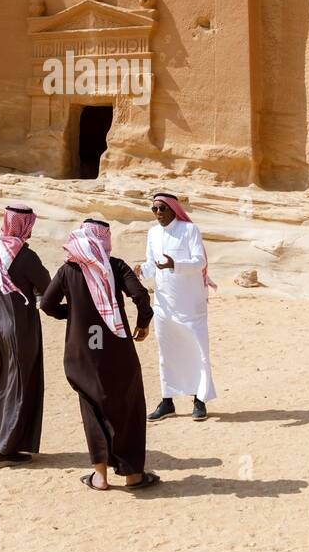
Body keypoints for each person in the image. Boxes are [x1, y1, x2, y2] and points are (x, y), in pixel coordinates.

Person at [40, 218, 159, 491]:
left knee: (92, 407)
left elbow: (46, 304)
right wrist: (143, 323)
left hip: (82, 352)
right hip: (116, 348)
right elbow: (140, 295)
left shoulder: (68, 269)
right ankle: (132, 475)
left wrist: (72, 314)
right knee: (127, 407)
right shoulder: (114, 266)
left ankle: (100, 477)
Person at [136, 192, 217, 422]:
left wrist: (176, 264)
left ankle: (199, 400)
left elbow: (200, 261)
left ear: (173, 209)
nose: (158, 213)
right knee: (167, 352)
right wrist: (141, 270)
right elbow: (152, 266)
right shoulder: (152, 233)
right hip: (164, 304)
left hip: (191, 304)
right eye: (155, 209)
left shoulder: (189, 230)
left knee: (197, 351)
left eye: (162, 208)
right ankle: (167, 400)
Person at [0, 203, 50, 467]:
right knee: (22, 384)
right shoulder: (24, 256)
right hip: (21, 327)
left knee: (5, 380)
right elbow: (47, 284)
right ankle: (6, 450)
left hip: (1, 327)